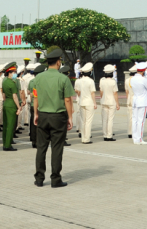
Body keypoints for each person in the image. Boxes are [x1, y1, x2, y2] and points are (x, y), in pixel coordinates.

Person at [32, 46, 74, 188]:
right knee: (56, 148)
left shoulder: (38, 77)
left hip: (43, 115)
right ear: (58, 62)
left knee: (41, 148)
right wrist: (70, 117)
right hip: (58, 116)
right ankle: (55, 179)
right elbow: (67, 100)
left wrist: (36, 113)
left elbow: (35, 97)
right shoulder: (63, 78)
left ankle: (39, 178)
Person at [130, 63, 147, 145]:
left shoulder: (132, 79)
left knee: (135, 120)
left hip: (135, 100)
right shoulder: (144, 79)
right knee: (141, 121)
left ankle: (135, 138)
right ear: (143, 71)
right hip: (142, 101)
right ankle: (139, 139)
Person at [74, 63, 96, 144]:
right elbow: (92, 93)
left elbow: (77, 91)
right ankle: (87, 139)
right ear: (89, 72)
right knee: (88, 121)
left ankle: (83, 138)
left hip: (81, 102)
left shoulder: (79, 81)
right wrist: (95, 103)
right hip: (89, 102)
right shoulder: (91, 81)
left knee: (83, 121)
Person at [1, 65, 21, 151]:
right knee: (10, 125)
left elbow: (4, 94)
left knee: (5, 125)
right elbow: (15, 96)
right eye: (14, 72)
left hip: (6, 104)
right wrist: (18, 107)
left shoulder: (4, 81)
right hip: (12, 105)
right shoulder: (12, 83)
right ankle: (8, 145)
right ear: (10, 73)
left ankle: (5, 142)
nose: (15, 74)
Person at [99, 64, 119, 141]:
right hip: (111, 101)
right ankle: (109, 135)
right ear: (112, 73)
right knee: (110, 119)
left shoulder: (101, 80)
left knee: (104, 119)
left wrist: (102, 98)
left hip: (104, 101)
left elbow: (101, 91)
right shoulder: (113, 81)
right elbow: (115, 93)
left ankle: (104, 134)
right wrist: (117, 103)